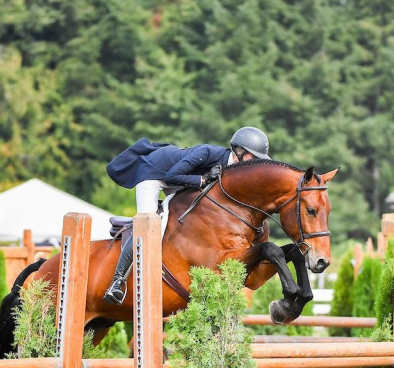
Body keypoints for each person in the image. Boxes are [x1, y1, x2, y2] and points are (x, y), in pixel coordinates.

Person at [103, 126, 270, 304]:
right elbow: (171, 176)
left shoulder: (234, 169)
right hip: (154, 175)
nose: (255, 163)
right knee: (147, 222)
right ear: (239, 151)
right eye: (254, 158)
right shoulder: (207, 153)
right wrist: (204, 179)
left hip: (177, 179)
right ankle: (117, 282)